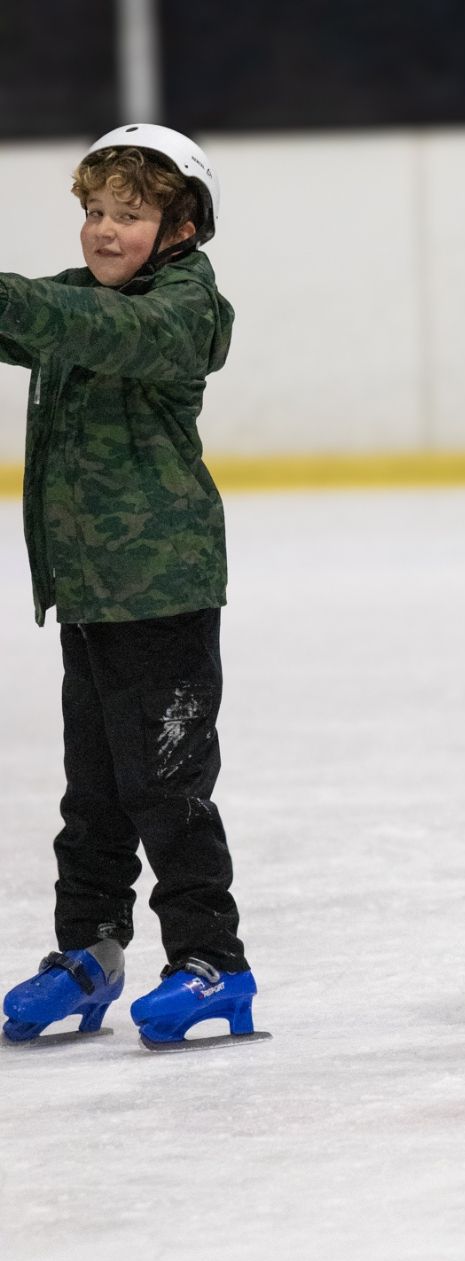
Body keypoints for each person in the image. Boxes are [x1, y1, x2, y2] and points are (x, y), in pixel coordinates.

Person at [1, 124, 267, 1051]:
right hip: (92, 595)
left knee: (169, 790)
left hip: (164, 593)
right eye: (94, 213)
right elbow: (32, 314)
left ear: (183, 225)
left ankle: (213, 964)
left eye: (131, 214)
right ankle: (88, 955)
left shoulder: (185, 308)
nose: (105, 232)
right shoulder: (82, 299)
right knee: (95, 793)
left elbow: (90, 326)